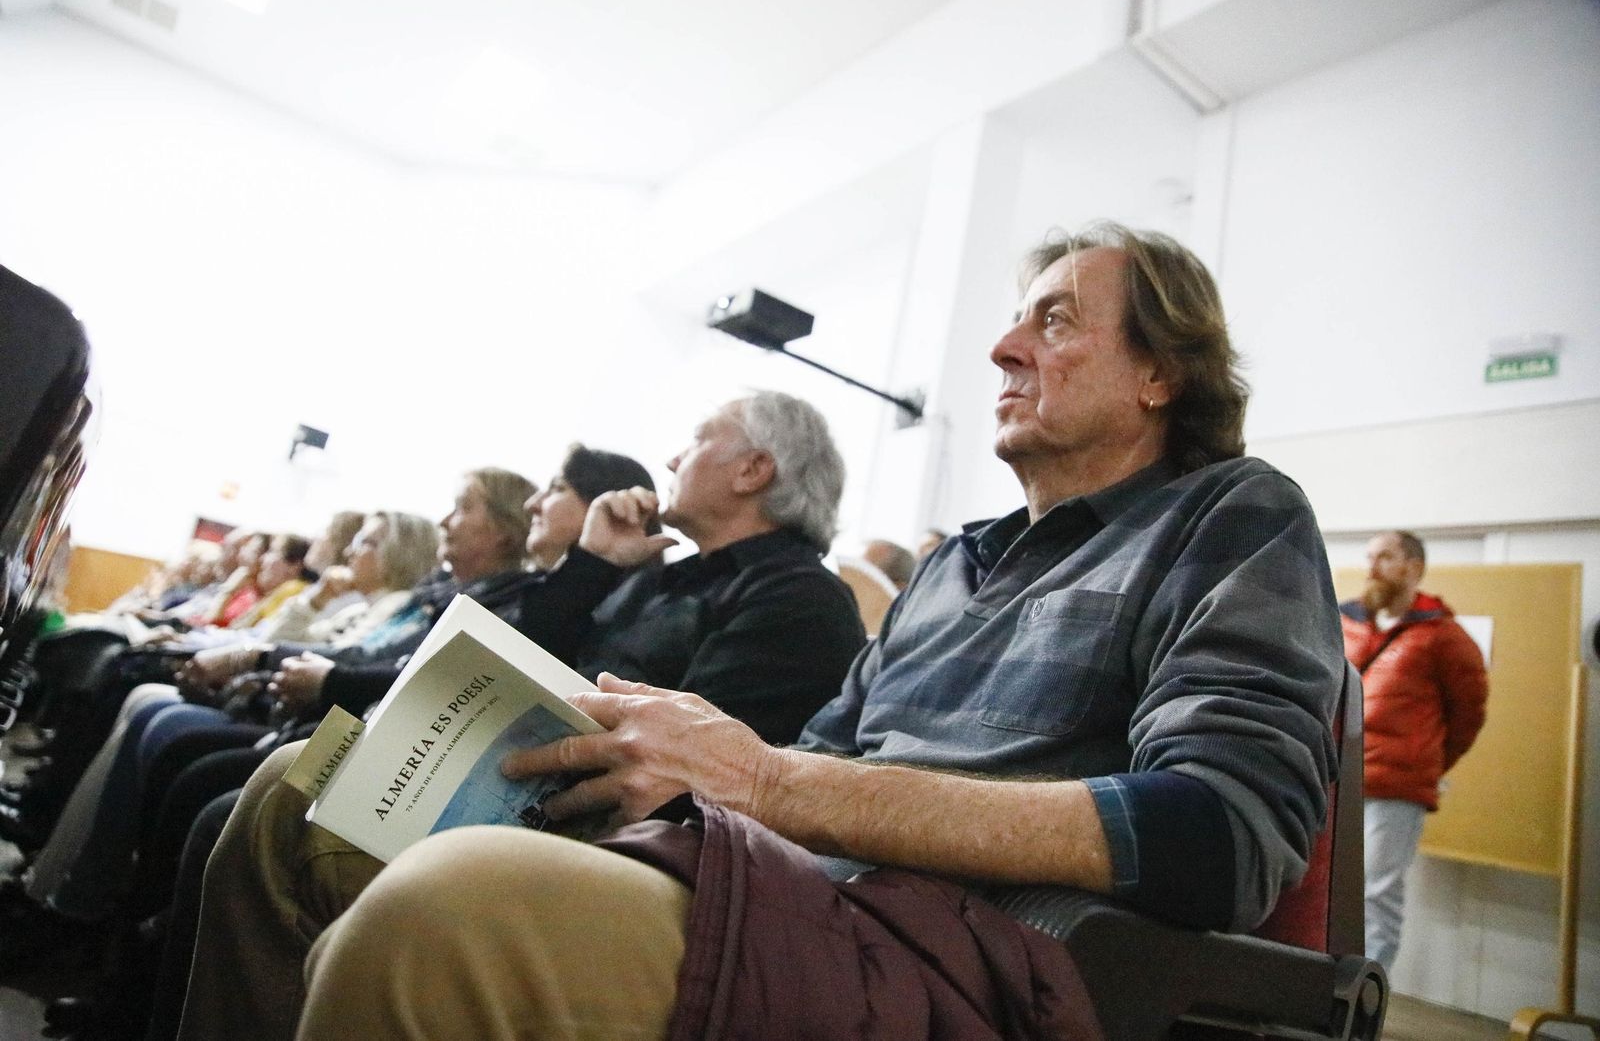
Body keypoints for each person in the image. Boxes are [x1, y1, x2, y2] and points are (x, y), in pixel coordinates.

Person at [181, 225, 1342, 1041]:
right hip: (791, 885)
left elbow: (1223, 834)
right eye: (1010, 320)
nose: (1002, 349)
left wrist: (769, 781)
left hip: (956, 951)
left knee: (446, 911)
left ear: (1161, 373)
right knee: (297, 798)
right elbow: (814, 761)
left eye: (1053, 320)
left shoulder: (1230, 513)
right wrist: (677, 760)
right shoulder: (952, 564)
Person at [1340, 529, 1488, 972]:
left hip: (1396, 788)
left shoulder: (1442, 636)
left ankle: (1362, 1001)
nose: (1372, 567)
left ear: (1414, 568)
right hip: (1337, 779)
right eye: (1370, 557)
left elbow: (1468, 716)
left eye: (1385, 557)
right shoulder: (1346, 621)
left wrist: (1424, 764)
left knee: (1376, 893)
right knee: (1327, 890)